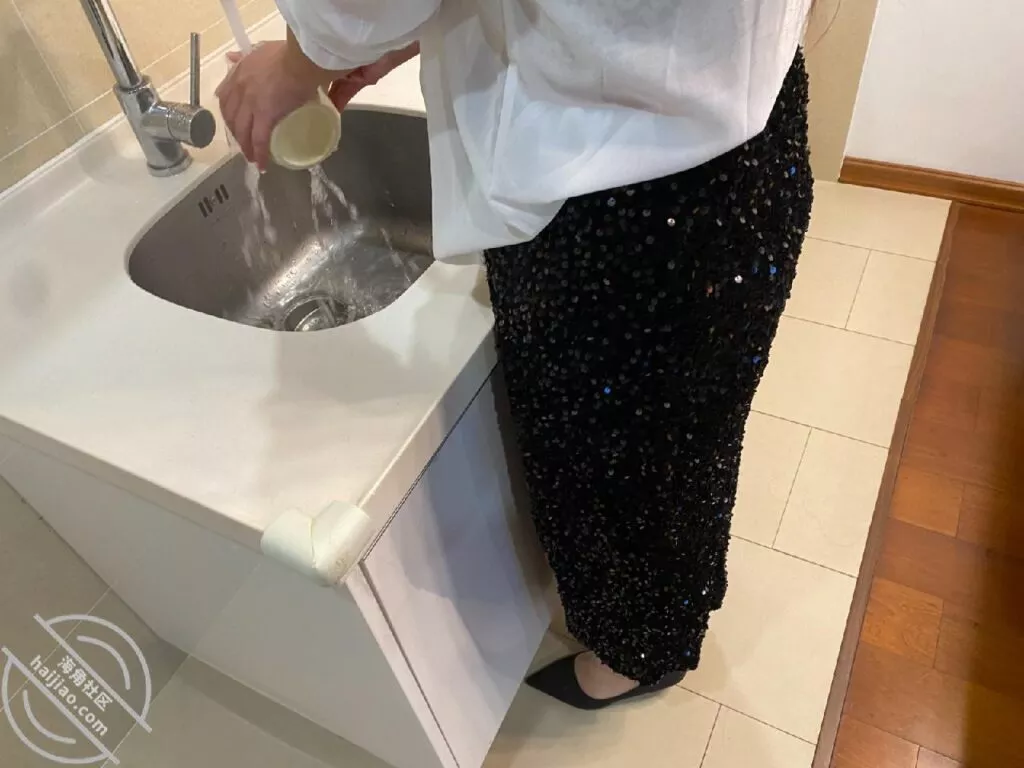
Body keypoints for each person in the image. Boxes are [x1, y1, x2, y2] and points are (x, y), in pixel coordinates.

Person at [217, 0, 815, 710]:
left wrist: (299, 63)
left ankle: (635, 654)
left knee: (614, 464)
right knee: (683, 444)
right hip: (743, 144)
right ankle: (663, 623)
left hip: (615, 195)